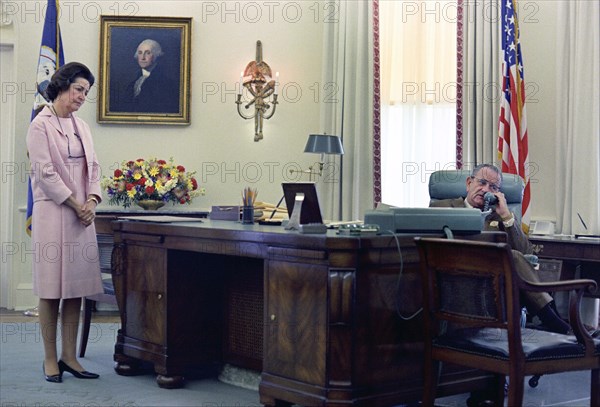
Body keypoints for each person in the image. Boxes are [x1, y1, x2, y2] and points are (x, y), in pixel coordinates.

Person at [26, 62, 103, 383]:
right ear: (62, 86)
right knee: (50, 290)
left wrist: (92, 201)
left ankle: (70, 357)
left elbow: (94, 167)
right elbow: (45, 173)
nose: (83, 96)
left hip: (82, 216)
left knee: (75, 289)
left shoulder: (82, 127)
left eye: (86, 92)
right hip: (54, 213)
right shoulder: (39, 125)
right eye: (78, 89)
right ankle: (49, 359)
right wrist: (74, 203)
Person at [430, 163, 571, 334]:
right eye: (481, 183)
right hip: (456, 276)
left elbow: (527, 253)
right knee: (513, 256)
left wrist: (506, 215)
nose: (485, 189)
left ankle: (553, 320)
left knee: (516, 256)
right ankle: (553, 320)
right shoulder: (443, 207)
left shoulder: (499, 216)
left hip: (493, 283)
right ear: (469, 183)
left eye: (493, 187)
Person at [110, 38, 179, 113]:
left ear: (157, 55)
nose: (142, 57)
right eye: (140, 53)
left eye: (148, 53)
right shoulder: (133, 83)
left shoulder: (166, 84)